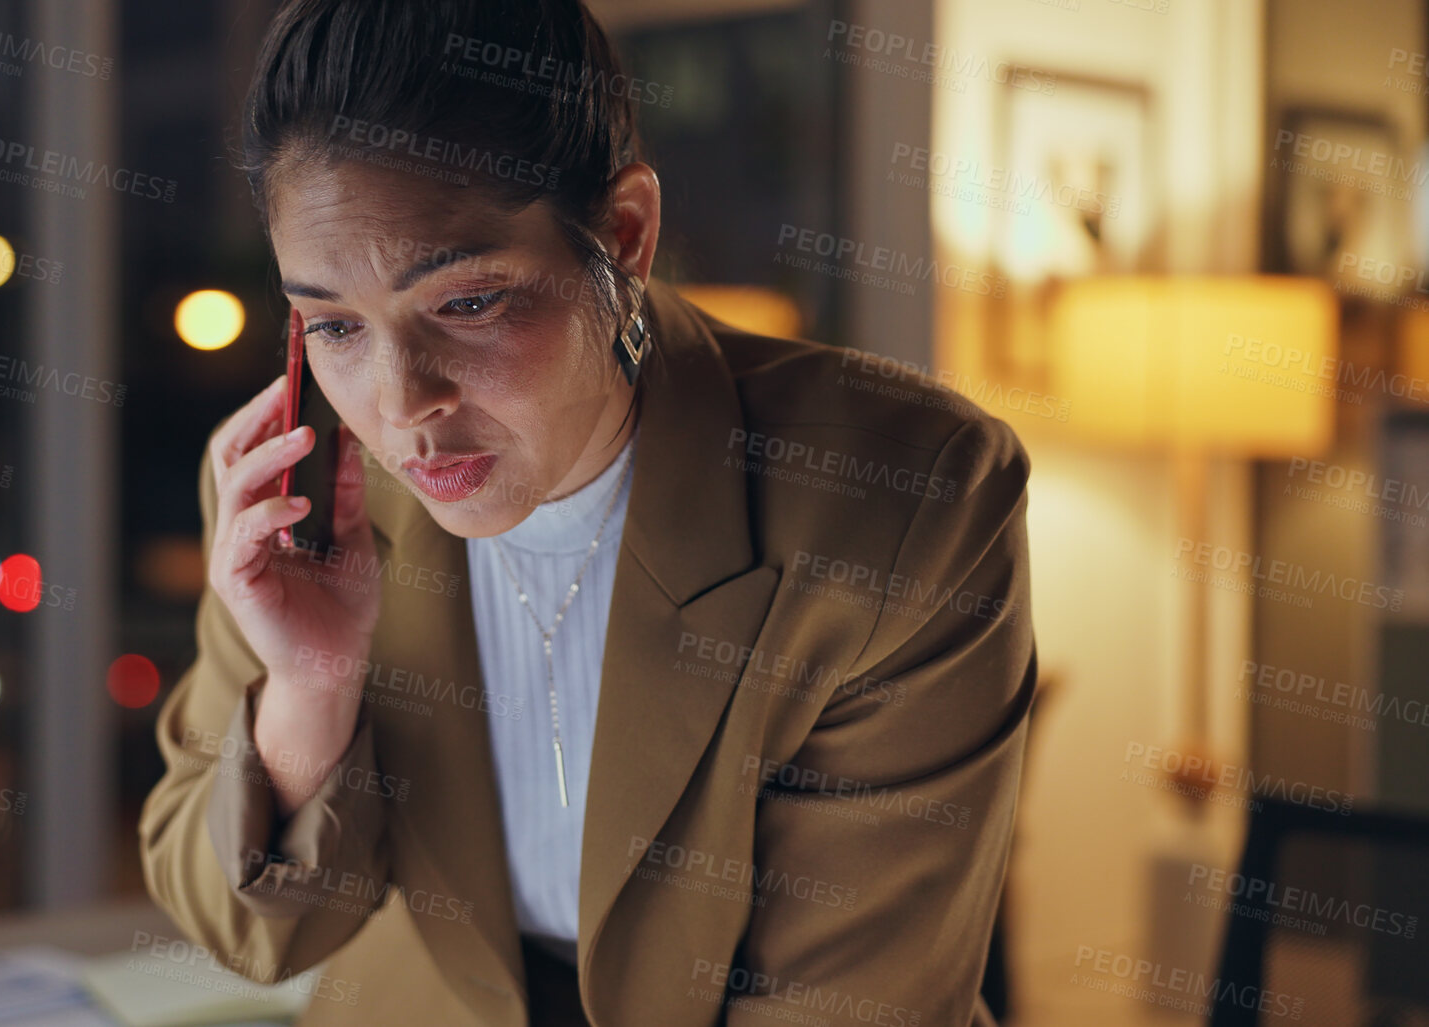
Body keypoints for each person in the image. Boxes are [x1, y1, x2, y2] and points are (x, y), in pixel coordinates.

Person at [138, 1, 1037, 1024]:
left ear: (625, 234)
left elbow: (847, 1003)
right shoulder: (300, 494)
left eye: (468, 302)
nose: (399, 403)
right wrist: (312, 685)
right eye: (335, 325)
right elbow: (244, 928)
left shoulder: (907, 501)